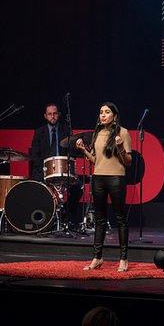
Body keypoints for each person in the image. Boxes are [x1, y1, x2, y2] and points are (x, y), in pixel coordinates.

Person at [76, 102, 132, 272]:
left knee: (120, 218)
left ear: (114, 115)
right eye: (101, 112)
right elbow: (95, 160)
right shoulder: (97, 133)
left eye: (107, 112)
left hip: (116, 178)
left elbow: (128, 162)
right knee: (100, 219)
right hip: (98, 178)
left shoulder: (123, 132)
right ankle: (97, 257)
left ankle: (123, 259)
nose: (103, 115)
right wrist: (83, 150)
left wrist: (121, 146)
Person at [30, 103, 83, 228]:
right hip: (44, 171)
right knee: (35, 187)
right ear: (45, 116)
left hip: (63, 170)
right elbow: (35, 154)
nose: (52, 116)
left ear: (58, 115)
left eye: (54, 113)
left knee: (78, 188)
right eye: (49, 114)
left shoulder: (66, 130)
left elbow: (72, 153)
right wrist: (44, 168)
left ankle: (66, 216)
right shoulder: (39, 132)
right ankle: (45, 220)